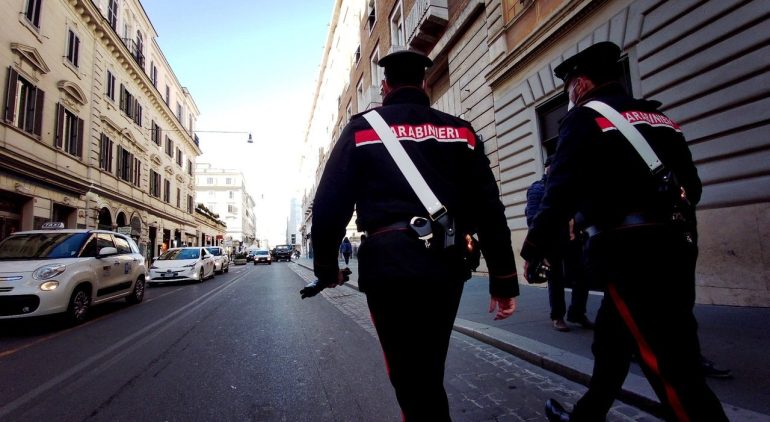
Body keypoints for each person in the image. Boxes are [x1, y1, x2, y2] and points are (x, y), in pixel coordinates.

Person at [521, 42, 727, 421]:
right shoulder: (661, 118)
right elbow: (691, 188)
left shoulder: (582, 120)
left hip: (629, 256)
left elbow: (559, 195)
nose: (570, 96)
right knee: (612, 344)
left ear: (580, 84)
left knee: (671, 367)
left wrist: (533, 251)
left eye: (569, 89)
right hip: (677, 246)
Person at [309, 49, 519, 421]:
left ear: (385, 87)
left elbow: (328, 207)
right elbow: (490, 209)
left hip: (389, 267)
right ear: (424, 83)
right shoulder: (461, 131)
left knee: (409, 377)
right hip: (446, 265)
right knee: (428, 369)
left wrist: (327, 269)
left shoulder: (361, 130)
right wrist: (503, 279)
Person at [525, 158, 593, 332]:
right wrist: (535, 246)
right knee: (555, 278)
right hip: (551, 241)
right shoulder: (538, 188)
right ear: (547, 168)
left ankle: (577, 313)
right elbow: (533, 217)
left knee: (581, 275)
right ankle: (557, 316)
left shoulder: (568, 186)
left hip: (571, 239)